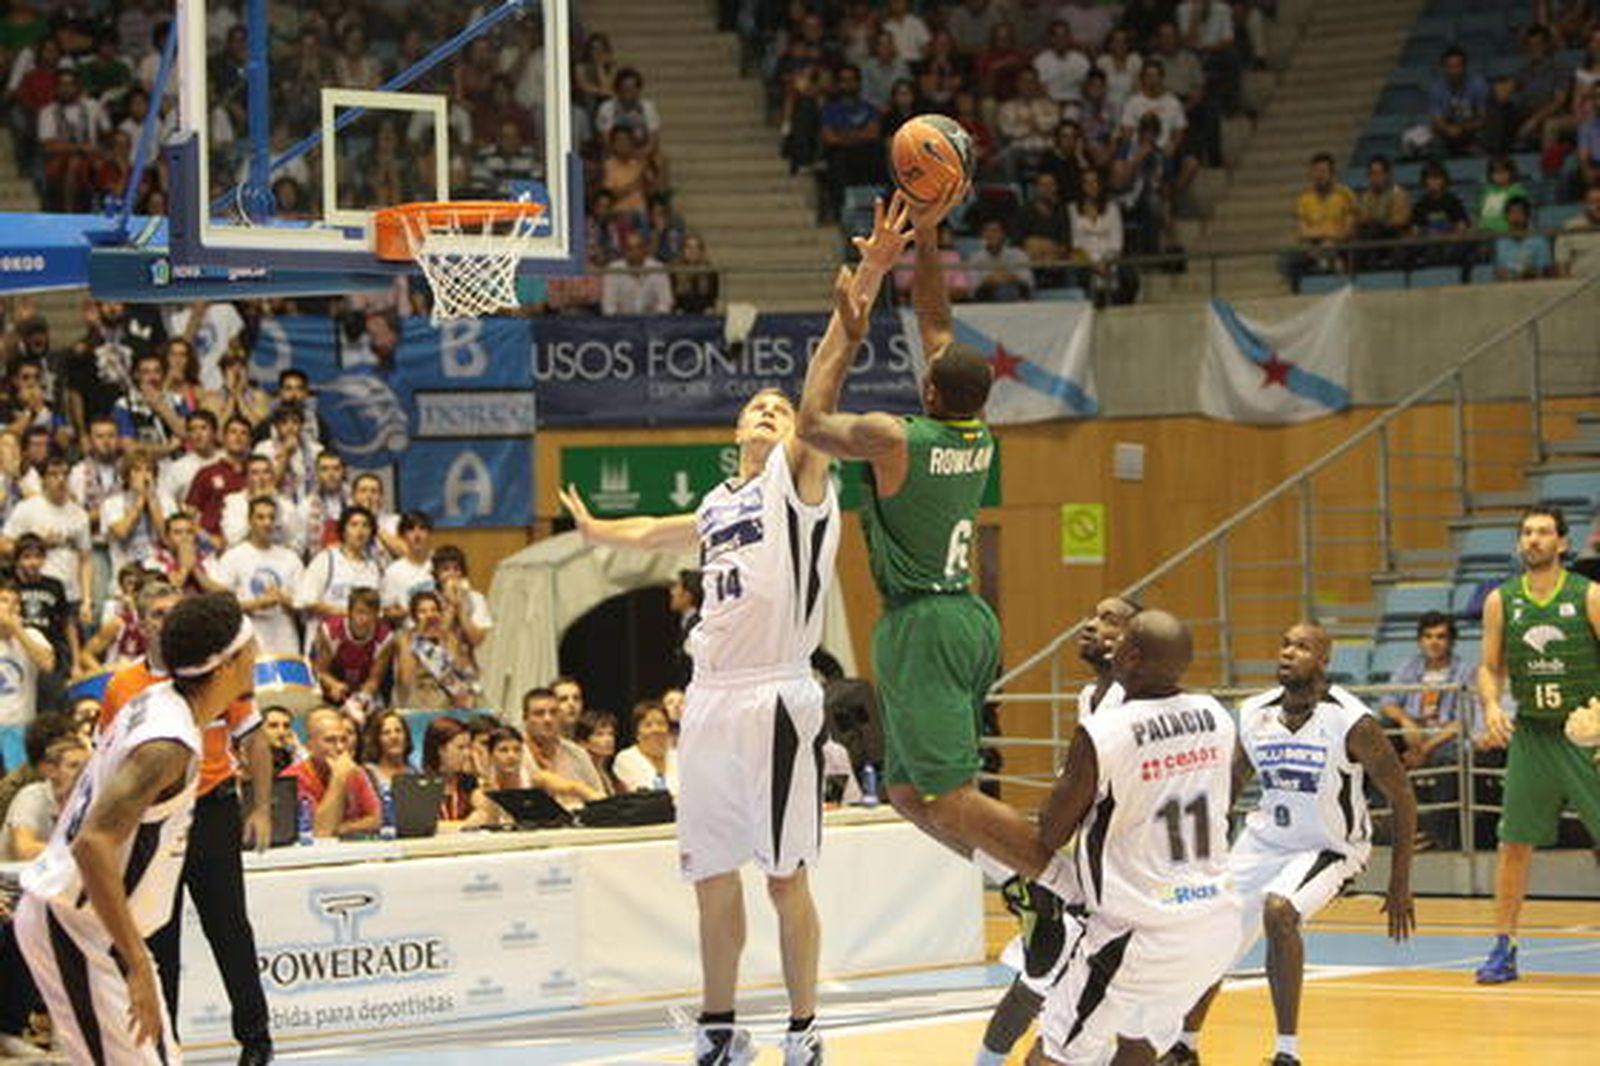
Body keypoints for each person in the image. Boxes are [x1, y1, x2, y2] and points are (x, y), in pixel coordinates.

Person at [796, 191, 1078, 947]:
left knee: (949, 798)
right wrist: (926, 236)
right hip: (959, 618)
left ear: (928, 390)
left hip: (927, 622)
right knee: (903, 793)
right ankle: (1016, 881)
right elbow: (937, 322)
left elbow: (811, 422)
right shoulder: (977, 434)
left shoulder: (896, 439)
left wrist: (852, 331)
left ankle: (1073, 888)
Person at [560, 375, 842, 1063]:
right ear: (736, 431)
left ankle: (803, 1032)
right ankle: (719, 1032)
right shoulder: (717, 502)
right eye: (757, 407)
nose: (769, 413)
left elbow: (819, 401)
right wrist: (596, 530)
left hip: (774, 691)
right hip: (710, 697)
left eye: (781, 409)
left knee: (784, 879)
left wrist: (849, 319)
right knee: (711, 874)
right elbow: (655, 530)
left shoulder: (800, 483)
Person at [15, 592, 258, 1066]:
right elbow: (92, 843)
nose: (257, 656)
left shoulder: (159, 702)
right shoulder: (167, 745)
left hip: (95, 928)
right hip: (78, 927)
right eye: (250, 648)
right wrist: (140, 962)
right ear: (226, 665)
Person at [1163, 622, 1416, 1066]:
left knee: (1280, 911)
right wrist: (1203, 852)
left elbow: (1402, 796)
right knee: (1211, 926)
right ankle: (1185, 1045)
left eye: (1302, 647)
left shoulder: (1352, 721)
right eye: (1285, 644)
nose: (1288, 652)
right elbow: (1231, 784)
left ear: (1324, 660)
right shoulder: (1254, 712)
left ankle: (1287, 1053)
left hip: (1331, 847)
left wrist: (1399, 884)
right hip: (1263, 842)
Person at [1031, 610, 1240, 1066]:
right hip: (1215, 924)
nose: (1113, 645)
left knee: (1051, 1054)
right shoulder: (1217, 716)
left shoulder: (1105, 731)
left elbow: (1050, 831)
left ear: (1132, 657)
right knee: (1138, 1043)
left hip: (1139, 932)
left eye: (1122, 639)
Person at [97, 579, 276, 1064]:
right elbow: (103, 760)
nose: (166, 620)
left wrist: (260, 807)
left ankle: (257, 1040)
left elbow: (255, 738)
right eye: (157, 613)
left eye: (173, 611)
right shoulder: (124, 687)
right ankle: (165, 1045)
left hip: (212, 810)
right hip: (153, 821)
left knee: (230, 928)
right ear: (140, 622)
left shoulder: (216, 674)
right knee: (160, 937)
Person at [977, 595, 1140, 1066]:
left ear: (1136, 642)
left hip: (1126, 879)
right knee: (1031, 982)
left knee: (1096, 1022)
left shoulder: (1138, 705)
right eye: (1093, 615)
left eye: (1109, 620)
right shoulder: (1090, 697)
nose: (1091, 624)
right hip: (1088, 868)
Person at [1474, 506, 1600, 984]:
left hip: (1586, 734)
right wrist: (1491, 705)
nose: (1534, 539)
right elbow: (1489, 667)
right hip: (1533, 733)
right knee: (1513, 843)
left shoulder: (1588, 595)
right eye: (1527, 532)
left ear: (1562, 543)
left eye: (1544, 532)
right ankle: (1503, 947)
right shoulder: (1501, 600)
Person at [1379, 611, 1478, 851]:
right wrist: (1406, 721)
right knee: (1378, 742)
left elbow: (1463, 721)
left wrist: (1424, 749)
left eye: (1441, 637)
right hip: (1412, 734)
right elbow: (1387, 702)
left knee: (1451, 757)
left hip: (1444, 739)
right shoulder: (1410, 667)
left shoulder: (1465, 671)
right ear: (1420, 640)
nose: (1434, 642)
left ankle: (1435, 836)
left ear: (1451, 641)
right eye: (1428, 636)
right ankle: (1387, 825)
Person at [208, 495, 305, 657]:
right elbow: (220, 605)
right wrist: (257, 603)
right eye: (260, 517)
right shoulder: (233, 556)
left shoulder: (291, 558)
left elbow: (304, 605)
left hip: (285, 641)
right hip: (247, 640)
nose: (267, 523)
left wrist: (282, 599)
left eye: (271, 517)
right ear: (250, 520)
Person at [282, 706, 382, 838]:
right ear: (310, 745)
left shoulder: (354, 771)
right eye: (330, 740)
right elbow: (320, 832)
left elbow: (378, 820)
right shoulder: (292, 778)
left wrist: (343, 828)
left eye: (343, 740)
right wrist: (338, 778)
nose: (340, 747)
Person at [296, 506, 382, 636]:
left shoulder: (373, 568)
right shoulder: (326, 559)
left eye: (365, 525)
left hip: (360, 643)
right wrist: (348, 613)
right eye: (354, 525)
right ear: (343, 530)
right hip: (325, 640)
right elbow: (305, 601)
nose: (360, 530)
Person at [518, 687, 608, 809]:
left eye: (553, 712)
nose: (548, 719)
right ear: (525, 718)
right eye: (539, 714)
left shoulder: (578, 754)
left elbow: (600, 799)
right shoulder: (516, 753)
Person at [2, 734, 88, 861]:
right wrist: (77, 850)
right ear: (52, 771)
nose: (82, 772)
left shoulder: (83, 802)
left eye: (87, 766)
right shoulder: (31, 796)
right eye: (73, 766)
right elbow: (24, 850)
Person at [311, 587, 395, 715]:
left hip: (362, 691)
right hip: (330, 690)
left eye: (370, 613)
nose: (364, 619)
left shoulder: (385, 637)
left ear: (377, 615)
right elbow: (320, 671)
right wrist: (333, 684)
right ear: (349, 612)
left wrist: (362, 697)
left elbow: (374, 680)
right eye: (360, 612)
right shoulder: (331, 631)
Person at [394, 589, 481, 711]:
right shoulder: (406, 639)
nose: (429, 615)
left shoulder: (448, 638)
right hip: (415, 701)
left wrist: (444, 639)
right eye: (423, 612)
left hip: (445, 703)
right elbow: (406, 678)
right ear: (414, 617)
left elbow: (460, 674)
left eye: (434, 610)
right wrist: (420, 639)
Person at [0, 578, 54, 728]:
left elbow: (47, 665)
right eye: (4, 600)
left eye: (16, 603)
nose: (11, 607)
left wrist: (17, 630)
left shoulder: (32, 635)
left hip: (21, 725)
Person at [420, 716, 491, 827]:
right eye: (460, 747)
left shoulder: (468, 782)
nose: (467, 753)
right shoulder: (420, 785)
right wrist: (463, 825)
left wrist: (483, 774)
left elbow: (486, 813)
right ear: (441, 750)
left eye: (468, 747)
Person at [613, 699, 679, 794]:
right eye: (648, 725)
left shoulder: (677, 757)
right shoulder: (626, 758)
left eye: (661, 723)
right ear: (637, 734)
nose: (656, 729)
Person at [379, 510, 434, 624]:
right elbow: (386, 611)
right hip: (409, 632)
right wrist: (400, 613)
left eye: (422, 529)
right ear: (402, 536)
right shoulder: (393, 572)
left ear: (429, 533)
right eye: (411, 529)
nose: (417, 535)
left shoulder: (439, 563)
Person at [360, 708, 415, 792]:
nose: (394, 737)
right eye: (386, 733)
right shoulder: (366, 776)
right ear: (377, 739)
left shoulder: (415, 773)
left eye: (398, 731)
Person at [575, 709, 623, 796]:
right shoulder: (579, 771)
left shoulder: (607, 771)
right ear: (583, 742)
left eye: (611, 734)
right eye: (599, 734)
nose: (608, 740)